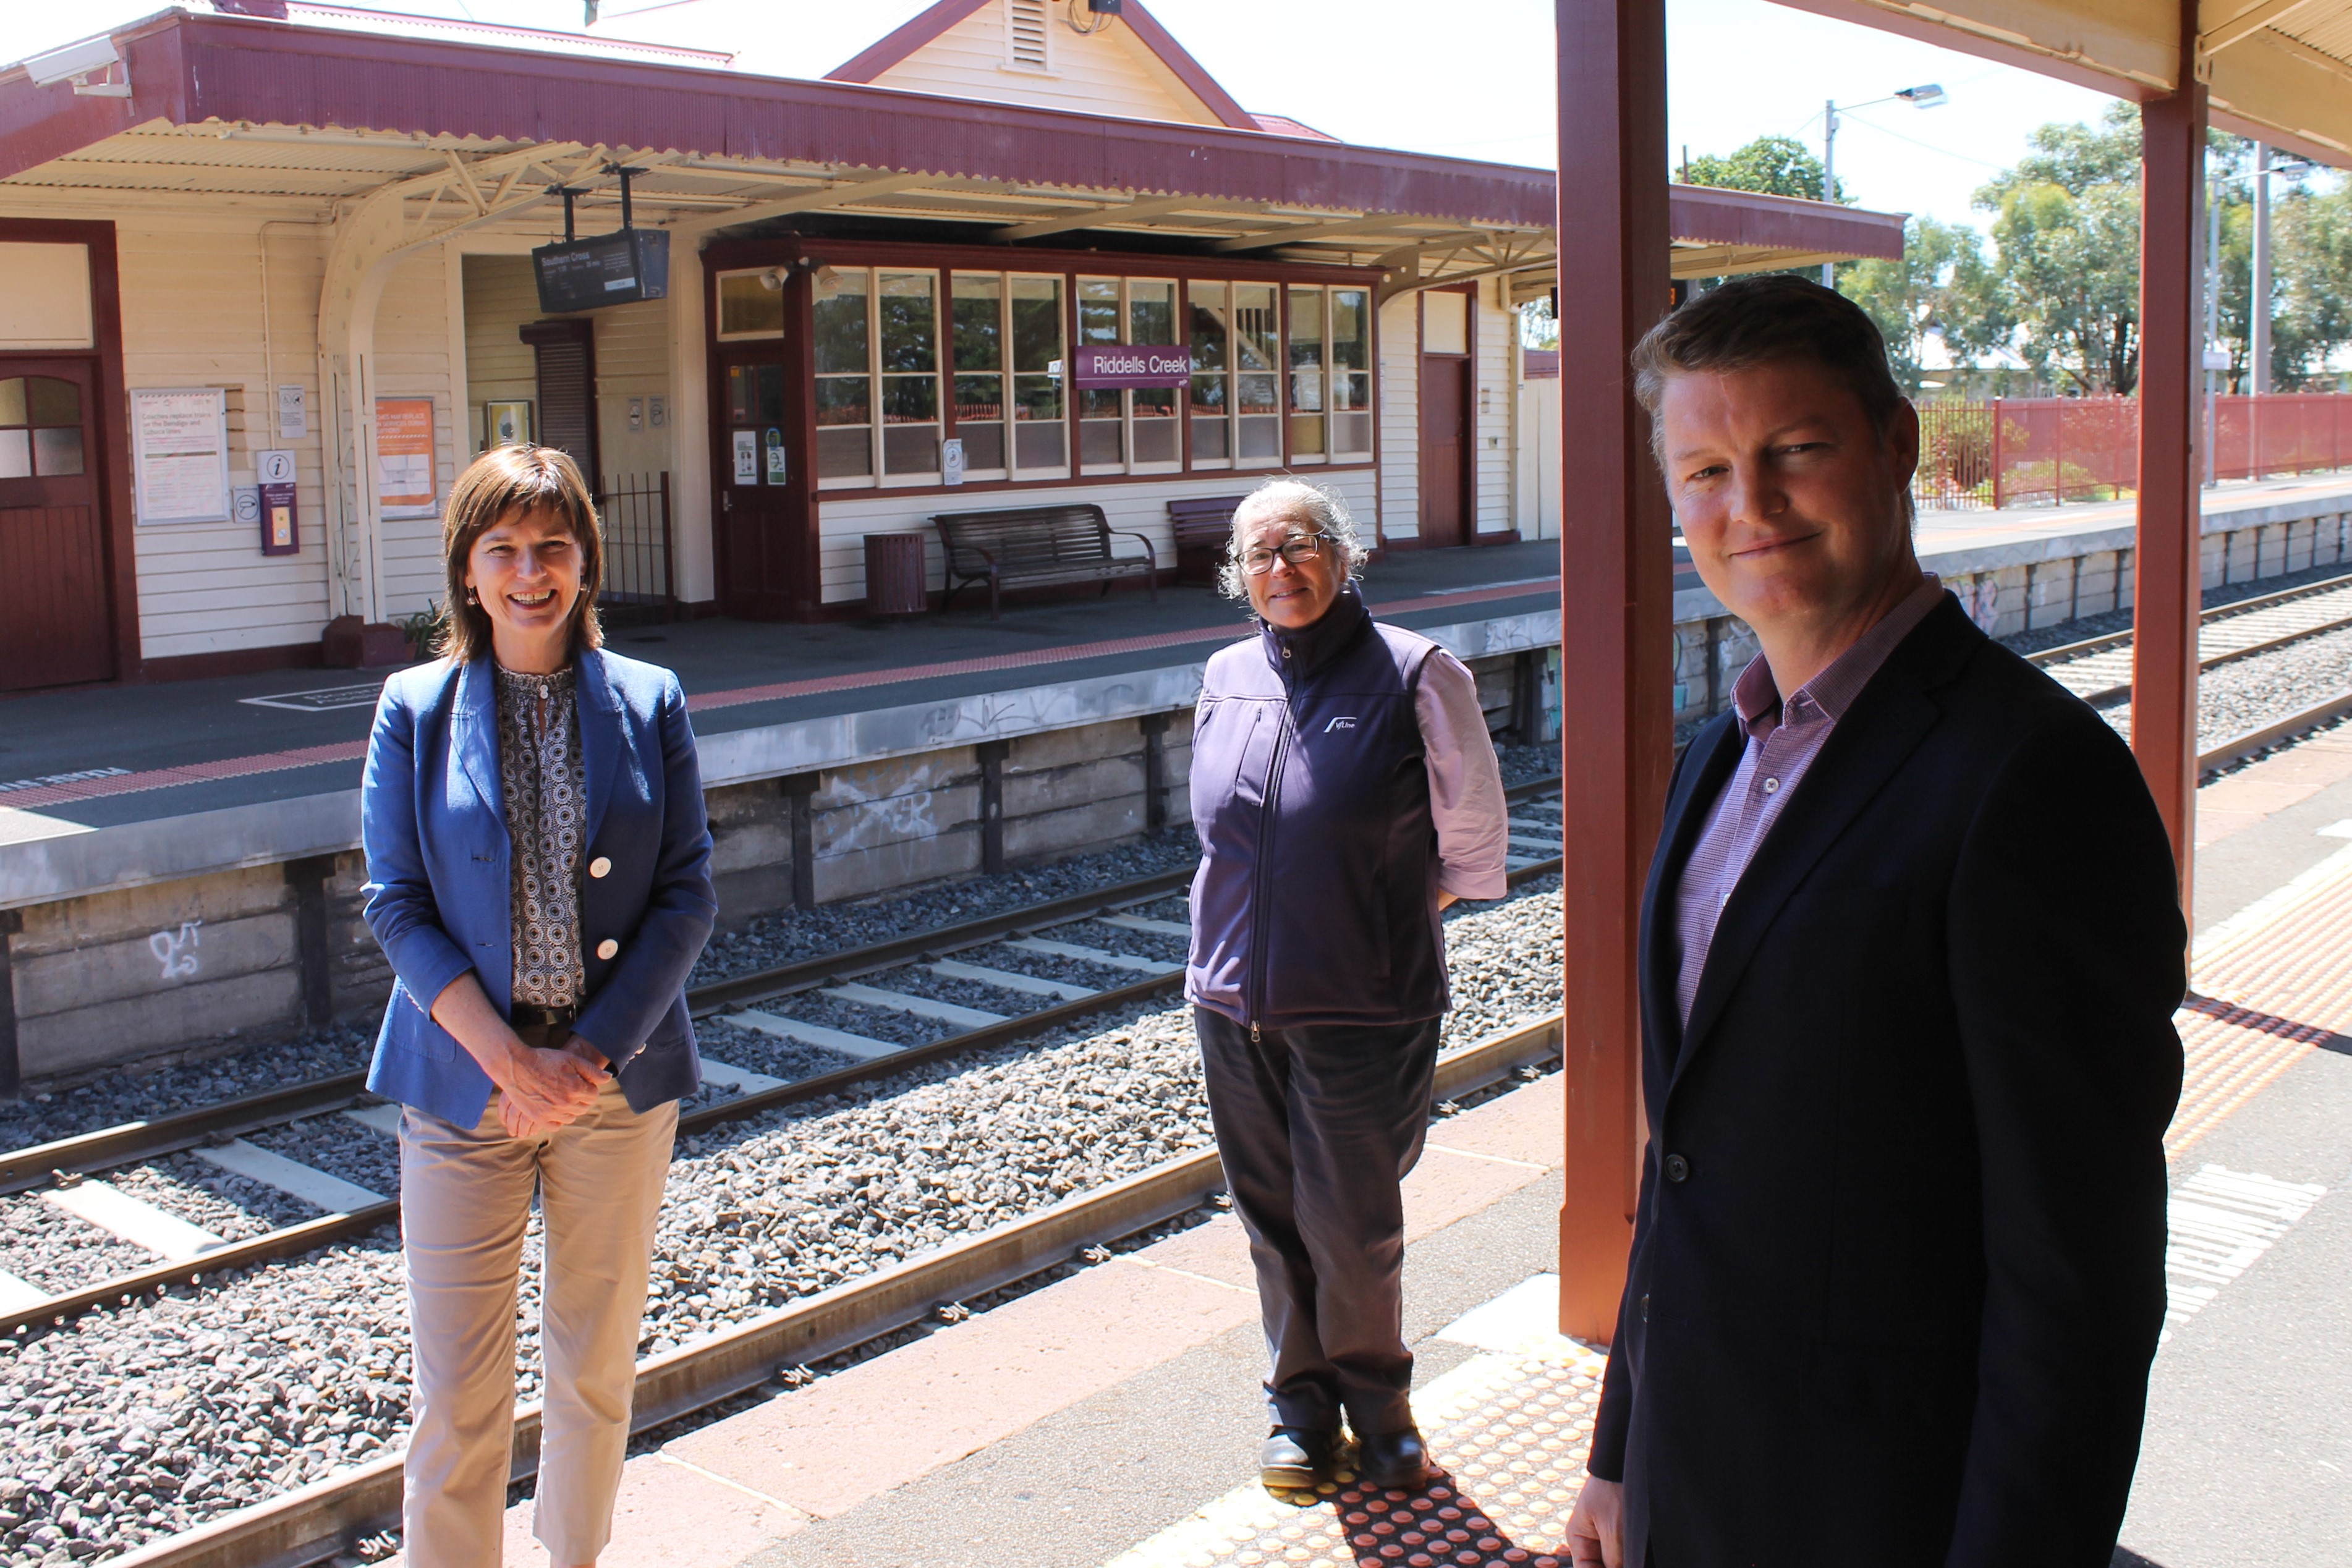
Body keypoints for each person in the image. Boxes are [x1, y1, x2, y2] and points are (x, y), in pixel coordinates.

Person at [1563, 276, 2184, 1568]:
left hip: (1881, 1506)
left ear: (1895, 444)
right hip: (1695, 1480)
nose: (1751, 506)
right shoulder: (1716, 759)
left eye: (1795, 450)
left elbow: (2078, 1267)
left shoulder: (2029, 776)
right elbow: (1684, 1159)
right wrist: (1623, 1456)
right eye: (1706, 470)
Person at [362, 444, 716, 1567]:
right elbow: (396, 904)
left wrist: (591, 1054)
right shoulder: (414, 708)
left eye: (552, 546)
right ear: (468, 570)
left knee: (593, 1371)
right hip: (463, 1090)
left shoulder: (648, 698)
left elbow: (687, 892)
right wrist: (513, 1063)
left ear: (585, 562)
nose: (530, 570)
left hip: (616, 1089)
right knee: (459, 1392)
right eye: (503, 547)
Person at [1186, 477, 1510, 1494]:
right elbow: (1217, 836)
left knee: (1351, 1224)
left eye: (1300, 546)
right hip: (1231, 997)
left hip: (1362, 1001)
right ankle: (1299, 1413)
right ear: (1238, 577)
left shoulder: (1416, 672)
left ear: (1343, 553)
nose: (1280, 570)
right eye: (1258, 555)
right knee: (1268, 1214)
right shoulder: (1225, 672)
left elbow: (1473, 842)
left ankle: (1379, 1407)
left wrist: (1380, 920)